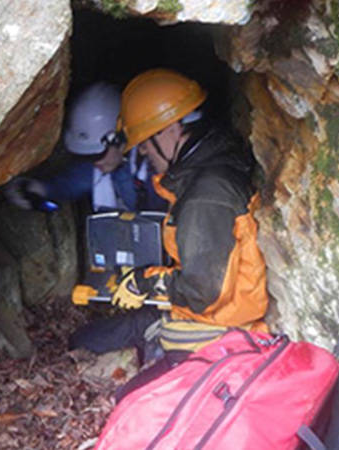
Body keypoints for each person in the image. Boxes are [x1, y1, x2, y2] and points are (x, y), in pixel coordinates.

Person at [68, 68, 269, 401]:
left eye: (146, 142)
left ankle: (153, 348)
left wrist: (143, 281)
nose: (143, 152)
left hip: (213, 333)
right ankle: (148, 340)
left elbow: (201, 291)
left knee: (128, 402)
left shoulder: (206, 195)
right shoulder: (199, 174)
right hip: (189, 315)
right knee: (82, 340)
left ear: (173, 128)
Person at [4, 82, 166, 213]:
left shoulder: (158, 163)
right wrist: (40, 188)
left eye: (96, 155)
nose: (95, 163)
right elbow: (72, 182)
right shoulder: (105, 165)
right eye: (86, 156)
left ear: (119, 139)